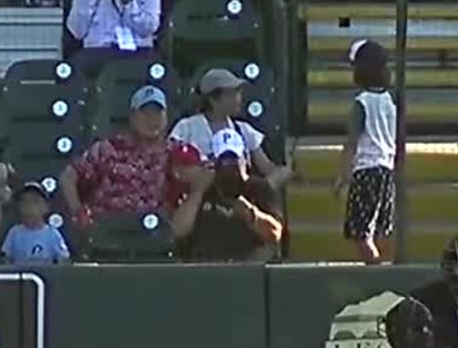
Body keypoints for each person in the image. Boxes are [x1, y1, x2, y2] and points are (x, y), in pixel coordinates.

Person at [61, 85, 200, 226]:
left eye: (157, 113)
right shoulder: (108, 149)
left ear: (166, 116)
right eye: (145, 113)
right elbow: (68, 177)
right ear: (132, 116)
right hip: (109, 232)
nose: (152, 119)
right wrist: (78, 211)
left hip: (156, 233)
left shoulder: (177, 152)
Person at [171, 128, 284, 261]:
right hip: (206, 267)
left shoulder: (260, 189)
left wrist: (250, 213)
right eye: (224, 162)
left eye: (233, 162)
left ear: (244, 160)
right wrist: (198, 191)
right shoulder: (204, 187)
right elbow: (177, 231)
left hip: (247, 268)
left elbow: (276, 233)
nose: (229, 168)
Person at [169, 68, 291, 188]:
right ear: (213, 99)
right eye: (232, 94)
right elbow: (173, 165)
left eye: (238, 93)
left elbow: (266, 168)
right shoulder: (186, 128)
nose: (238, 99)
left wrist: (284, 172)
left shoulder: (244, 130)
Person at [333, 39, 397, 263]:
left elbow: (352, 141)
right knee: (379, 229)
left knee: (361, 233)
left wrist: (343, 175)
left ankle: (375, 270)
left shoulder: (361, 103)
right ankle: (381, 265)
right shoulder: (391, 100)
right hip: (387, 171)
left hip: (366, 170)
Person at [64, 0, 162, 78]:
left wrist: (127, 1)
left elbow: (149, 27)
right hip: (97, 52)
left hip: (137, 51)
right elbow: (77, 32)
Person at [1, 184, 72, 265]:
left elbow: (64, 259)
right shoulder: (14, 233)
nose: (30, 207)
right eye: (25, 202)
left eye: (35, 202)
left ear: (46, 207)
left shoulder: (52, 234)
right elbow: (6, 259)